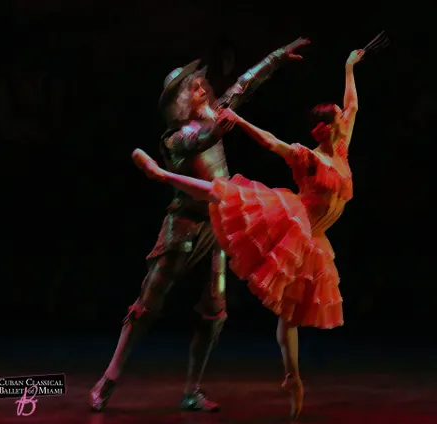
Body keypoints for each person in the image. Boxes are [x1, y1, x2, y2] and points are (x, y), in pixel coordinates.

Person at [131, 48, 366, 419]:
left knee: (289, 312)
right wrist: (239, 121)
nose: (343, 114)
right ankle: (161, 175)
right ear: (325, 127)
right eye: (338, 115)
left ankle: (291, 376)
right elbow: (271, 142)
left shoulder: (341, 147)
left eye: (340, 113)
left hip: (314, 241)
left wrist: (349, 66)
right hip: (291, 221)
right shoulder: (308, 157)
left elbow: (352, 105)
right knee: (224, 193)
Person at [89, 37, 310, 413]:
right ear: (180, 101)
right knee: (147, 305)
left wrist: (276, 58)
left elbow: (242, 86)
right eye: (194, 88)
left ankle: (192, 390)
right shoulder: (177, 138)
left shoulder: (212, 116)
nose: (203, 89)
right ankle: (108, 378)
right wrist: (223, 121)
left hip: (217, 227)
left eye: (200, 84)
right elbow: (207, 136)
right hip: (183, 229)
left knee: (215, 311)